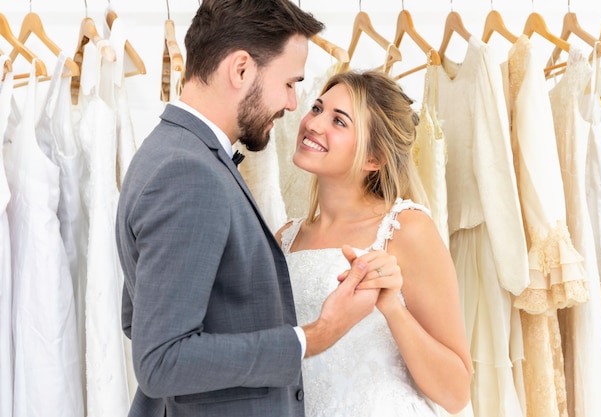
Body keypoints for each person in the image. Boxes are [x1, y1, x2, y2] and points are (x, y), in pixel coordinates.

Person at [115, 1, 399, 416]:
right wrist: (317, 335)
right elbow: (161, 360)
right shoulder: (188, 171)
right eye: (289, 83)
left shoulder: (170, 151)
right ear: (241, 69)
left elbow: (135, 317)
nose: (292, 104)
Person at [276, 70, 474, 416]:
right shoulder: (285, 239)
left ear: (373, 159)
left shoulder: (406, 229)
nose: (314, 124)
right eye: (318, 109)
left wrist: (392, 307)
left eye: (339, 122)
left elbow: (456, 393)